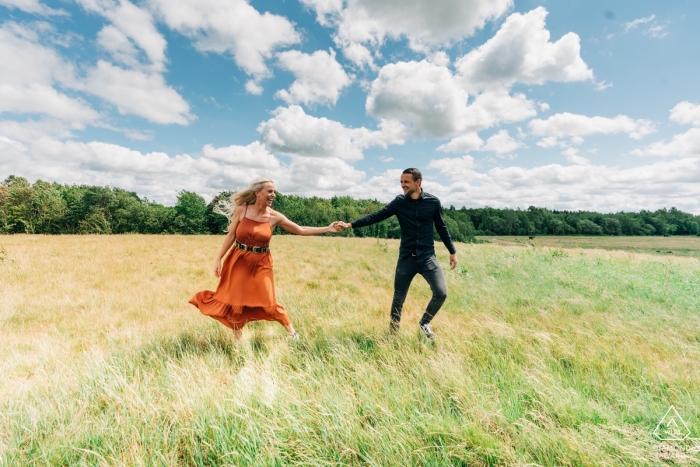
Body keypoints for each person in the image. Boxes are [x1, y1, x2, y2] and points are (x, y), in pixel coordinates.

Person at [189, 177, 341, 343]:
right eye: (270, 191)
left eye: (274, 191)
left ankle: (292, 334)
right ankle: (238, 341)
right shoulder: (242, 210)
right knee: (236, 303)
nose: (273, 195)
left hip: (262, 262)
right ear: (257, 193)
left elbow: (301, 230)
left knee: (269, 303)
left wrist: (328, 228)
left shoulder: (275, 217)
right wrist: (218, 258)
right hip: (238, 260)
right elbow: (231, 235)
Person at [339, 168, 457, 339]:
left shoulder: (433, 202)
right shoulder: (399, 202)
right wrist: (350, 224)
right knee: (398, 299)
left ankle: (424, 322)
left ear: (418, 182)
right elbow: (376, 216)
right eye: (401, 182)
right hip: (406, 259)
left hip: (427, 257)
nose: (403, 185)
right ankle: (392, 335)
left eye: (406, 182)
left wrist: (452, 251)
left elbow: (442, 227)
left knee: (441, 292)